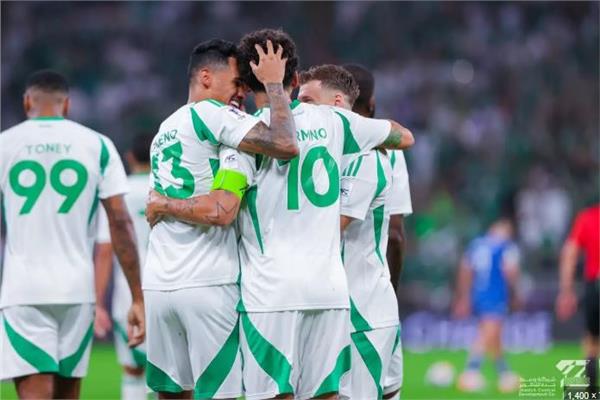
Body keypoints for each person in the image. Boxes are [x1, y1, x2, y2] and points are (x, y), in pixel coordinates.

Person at [147, 28, 414, 400]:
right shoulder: (335, 122)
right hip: (328, 291)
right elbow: (403, 137)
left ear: (249, 82)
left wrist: (164, 204)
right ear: (296, 78)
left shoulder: (243, 142)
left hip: (269, 294)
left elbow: (224, 205)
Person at [143, 38, 297, 399]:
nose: (241, 92)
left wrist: (163, 204)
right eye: (237, 81)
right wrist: (274, 84)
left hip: (159, 284)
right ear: (206, 77)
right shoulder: (215, 115)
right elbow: (285, 144)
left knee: (170, 393)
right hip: (207, 281)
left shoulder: (164, 129)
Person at [0, 70, 144, 399]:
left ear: (27, 102)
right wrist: (137, 296)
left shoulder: (4, 144)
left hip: (23, 290)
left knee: (35, 393)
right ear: (67, 105)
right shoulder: (98, 145)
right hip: (77, 290)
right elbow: (120, 222)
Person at [298, 64, 403, 400]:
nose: (300, 110)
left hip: (362, 308)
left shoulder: (366, 158)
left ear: (339, 103)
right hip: (333, 304)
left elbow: (330, 229)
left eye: (308, 101)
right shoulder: (323, 156)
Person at [343, 63, 412, 400]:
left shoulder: (312, 144)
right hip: (370, 297)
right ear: (371, 105)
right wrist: (391, 292)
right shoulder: (388, 150)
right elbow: (395, 235)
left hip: (316, 295)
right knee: (386, 390)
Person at [94, 133, 154, 400]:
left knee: (132, 371)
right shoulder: (169, 188)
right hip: (168, 286)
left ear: (129, 158)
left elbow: (106, 250)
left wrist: (98, 302)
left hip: (128, 293)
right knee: (174, 375)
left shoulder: (119, 193)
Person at [453, 217, 521, 393]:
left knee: (494, 334)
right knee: (488, 333)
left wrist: (464, 296)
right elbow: (511, 271)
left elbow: (465, 270)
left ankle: (504, 373)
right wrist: (516, 293)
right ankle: (470, 372)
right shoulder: (506, 247)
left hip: (478, 293)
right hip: (496, 293)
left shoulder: (476, 245)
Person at [556, 203, 599, 389]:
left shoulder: (588, 217)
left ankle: (591, 391)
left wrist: (566, 291)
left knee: (591, 340)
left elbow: (570, 253)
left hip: (595, 285)